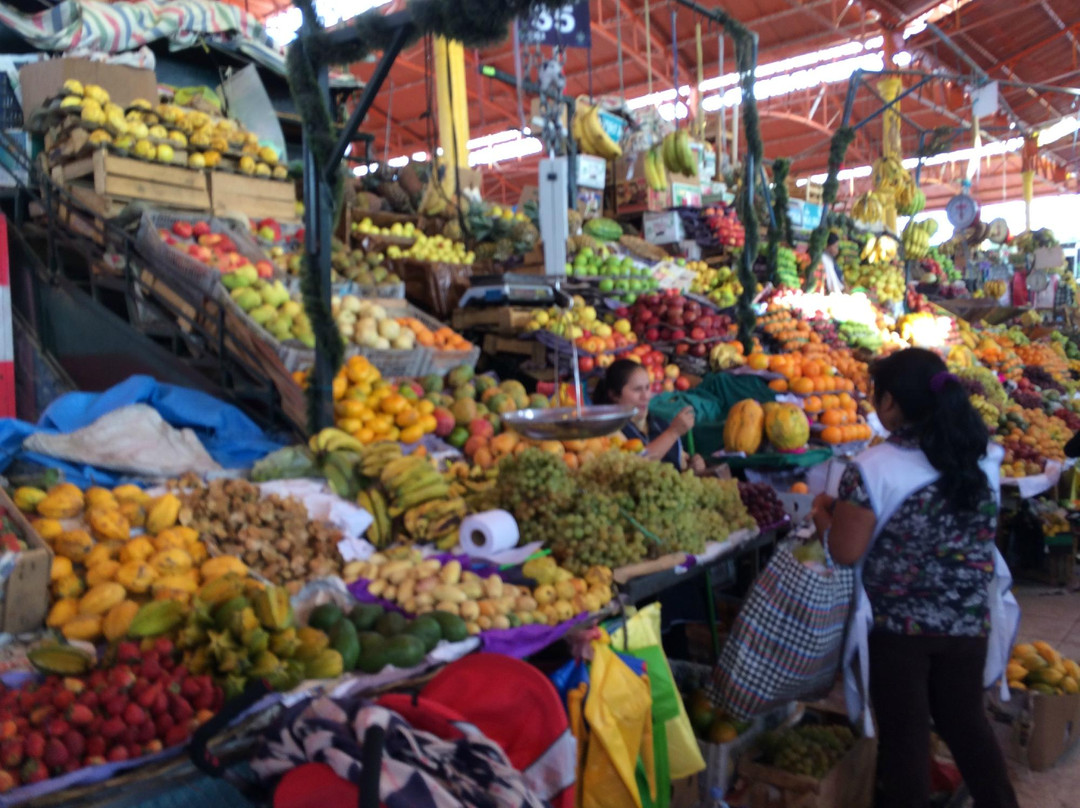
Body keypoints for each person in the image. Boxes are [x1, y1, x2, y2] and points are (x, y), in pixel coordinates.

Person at [811, 348, 1018, 808]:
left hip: (900, 631)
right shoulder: (983, 456)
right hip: (968, 621)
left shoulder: (871, 467)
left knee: (904, 742)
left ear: (889, 402)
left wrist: (824, 515)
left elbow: (845, 551)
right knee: (968, 727)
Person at [592, 359, 705, 471]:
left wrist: (692, 465)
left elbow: (681, 462)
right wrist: (673, 432)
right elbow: (635, 465)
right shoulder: (606, 430)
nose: (646, 396)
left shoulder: (658, 424)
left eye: (647, 388)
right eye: (637, 389)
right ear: (614, 395)